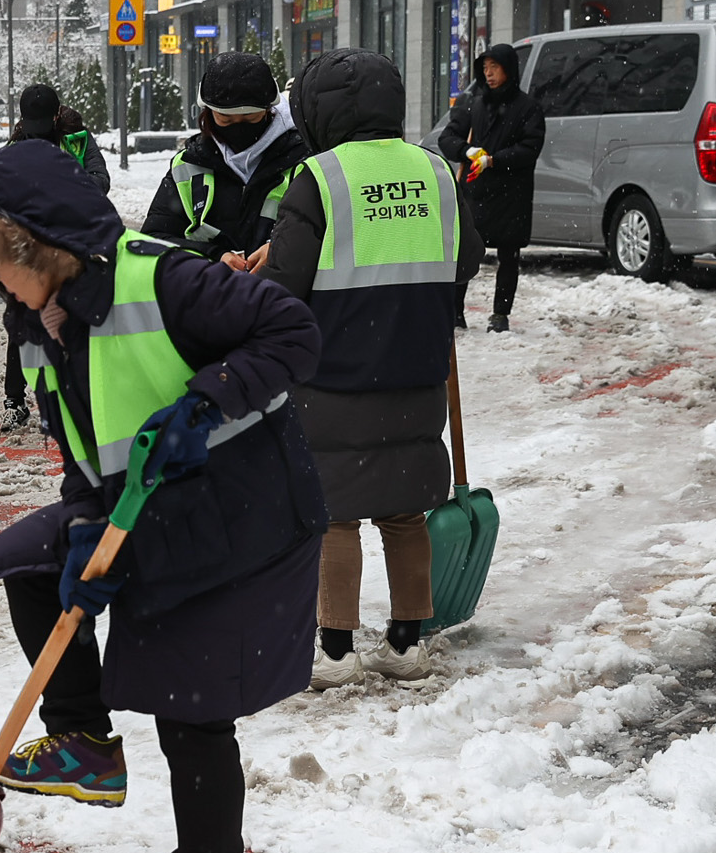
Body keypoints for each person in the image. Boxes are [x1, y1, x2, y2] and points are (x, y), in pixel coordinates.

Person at [0, 140, 328, 853]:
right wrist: (83, 525)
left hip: (243, 511)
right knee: (31, 560)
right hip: (149, 510)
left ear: (37, 247)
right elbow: (85, 450)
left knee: (188, 702)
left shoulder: (163, 279)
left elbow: (290, 330)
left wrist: (204, 404)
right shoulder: (37, 324)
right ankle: (85, 741)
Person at [262, 49, 480, 687]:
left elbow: (286, 284)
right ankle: (408, 644)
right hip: (417, 367)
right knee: (405, 508)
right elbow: (465, 257)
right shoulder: (437, 171)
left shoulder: (319, 178)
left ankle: (334, 651)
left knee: (335, 511)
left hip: (333, 373)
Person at [0, 85, 108, 431]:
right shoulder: (16, 147)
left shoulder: (77, 139)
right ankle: (15, 402)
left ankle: (73, 398)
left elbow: (99, 180)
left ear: (56, 115)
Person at [141, 51, 311, 266]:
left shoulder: (303, 160)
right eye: (226, 119)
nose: (239, 127)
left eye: (251, 118)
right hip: (213, 294)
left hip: (280, 295)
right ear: (208, 113)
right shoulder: (187, 166)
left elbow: (333, 231)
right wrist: (212, 255)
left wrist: (282, 248)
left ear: (270, 111)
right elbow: (154, 240)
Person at [434, 44, 543, 332]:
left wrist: (494, 160)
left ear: (509, 69)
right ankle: (456, 313)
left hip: (512, 195)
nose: (489, 73)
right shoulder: (472, 104)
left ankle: (500, 314)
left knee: (509, 256)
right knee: (466, 252)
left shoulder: (528, 107)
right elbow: (447, 138)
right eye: (485, 68)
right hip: (476, 194)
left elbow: (529, 149)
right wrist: (468, 151)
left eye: (494, 67)